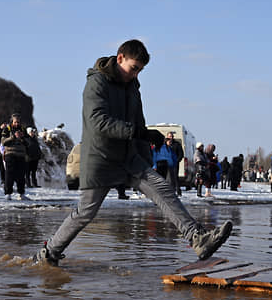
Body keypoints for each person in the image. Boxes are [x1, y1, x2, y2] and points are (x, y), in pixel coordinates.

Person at [33, 39, 232, 266]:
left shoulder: (132, 86)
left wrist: (147, 138)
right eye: (134, 68)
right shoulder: (96, 83)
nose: (136, 74)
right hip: (101, 157)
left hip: (129, 157)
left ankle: (198, 238)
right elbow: (98, 122)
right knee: (85, 213)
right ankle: (49, 253)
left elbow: (138, 121)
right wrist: (137, 132)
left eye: (140, 70)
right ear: (120, 59)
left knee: (162, 189)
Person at [1, 113, 28, 199]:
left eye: (18, 122)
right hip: (10, 154)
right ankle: (8, 193)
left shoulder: (23, 129)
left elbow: (28, 143)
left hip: (21, 155)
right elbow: (3, 142)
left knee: (21, 175)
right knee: (9, 174)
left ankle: (21, 193)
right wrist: (13, 137)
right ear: (12, 121)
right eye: (15, 122)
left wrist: (22, 138)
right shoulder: (7, 129)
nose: (17, 124)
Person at [167, 132, 184, 196]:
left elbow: (181, 154)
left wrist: (177, 161)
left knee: (175, 177)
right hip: (167, 163)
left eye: (171, 136)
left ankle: (178, 191)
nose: (170, 138)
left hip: (174, 163)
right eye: (169, 136)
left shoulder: (177, 144)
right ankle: (169, 191)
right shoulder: (165, 144)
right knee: (168, 177)